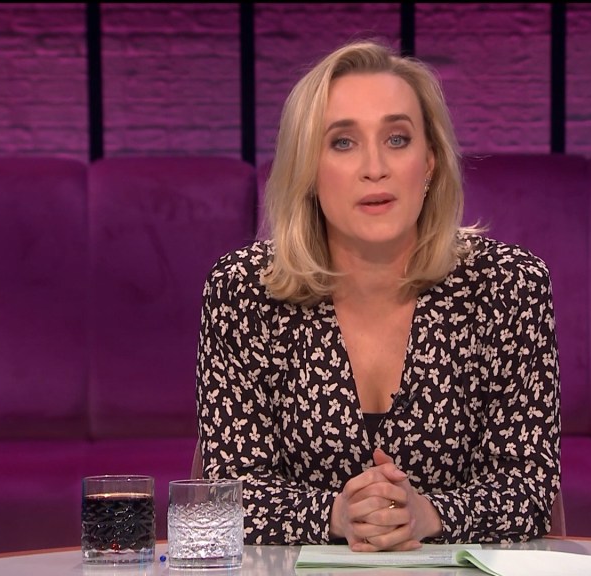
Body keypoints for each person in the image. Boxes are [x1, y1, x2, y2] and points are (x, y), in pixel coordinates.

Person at [195, 38, 561, 551]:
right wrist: (336, 515)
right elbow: (227, 494)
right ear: (308, 169)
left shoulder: (508, 286)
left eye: (397, 139)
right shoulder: (243, 291)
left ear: (430, 161)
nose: (375, 166)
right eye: (343, 142)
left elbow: (529, 488)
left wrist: (430, 514)